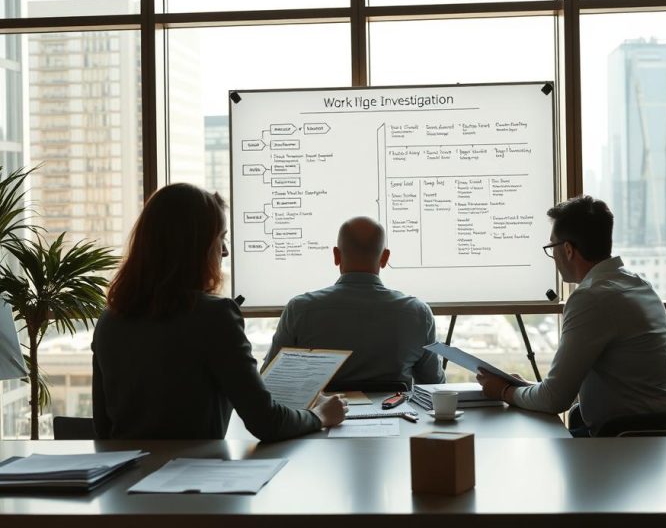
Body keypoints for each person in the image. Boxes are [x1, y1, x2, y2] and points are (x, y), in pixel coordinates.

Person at [92, 183, 346, 441]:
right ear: (195, 247)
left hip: (127, 478)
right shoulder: (214, 316)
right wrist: (319, 415)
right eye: (220, 238)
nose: (224, 251)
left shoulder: (109, 320)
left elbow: (102, 429)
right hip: (196, 475)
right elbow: (267, 422)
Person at [477, 195, 666, 436]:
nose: (552, 256)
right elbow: (561, 389)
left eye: (551, 247)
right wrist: (523, 388)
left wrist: (504, 392)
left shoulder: (592, 298)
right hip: (659, 430)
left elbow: (554, 400)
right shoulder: (637, 284)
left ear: (567, 250)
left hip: (628, 440)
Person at [264, 216, 445, 389]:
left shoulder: (300, 310)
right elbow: (434, 386)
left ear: (336, 255)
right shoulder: (419, 314)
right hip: (397, 417)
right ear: (385, 258)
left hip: (321, 420)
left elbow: (270, 381)